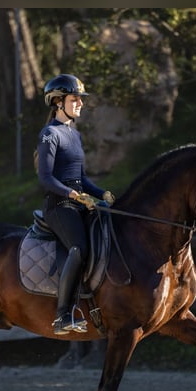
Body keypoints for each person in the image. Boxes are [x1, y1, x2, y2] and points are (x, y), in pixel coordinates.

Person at [36, 74, 115, 335]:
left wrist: (101, 193)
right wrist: (73, 195)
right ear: (58, 102)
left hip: (77, 202)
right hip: (58, 206)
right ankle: (62, 316)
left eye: (81, 99)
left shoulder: (75, 135)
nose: (80, 103)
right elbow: (46, 178)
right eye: (75, 99)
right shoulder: (50, 134)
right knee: (79, 248)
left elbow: (81, 178)